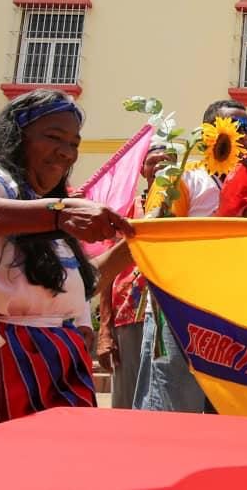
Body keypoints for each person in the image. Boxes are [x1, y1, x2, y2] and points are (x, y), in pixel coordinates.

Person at [0, 90, 134, 433]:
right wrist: (58, 214)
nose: (67, 153)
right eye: (54, 137)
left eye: (74, 143)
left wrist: (133, 250)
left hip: (57, 368)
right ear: (15, 137)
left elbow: (67, 293)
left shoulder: (46, 210)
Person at [134, 99, 247, 414]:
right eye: (237, 128)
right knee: (174, 412)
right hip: (177, 312)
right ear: (209, 133)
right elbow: (154, 236)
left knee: (228, 417)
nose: (245, 136)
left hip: (234, 315)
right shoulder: (181, 177)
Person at [96, 144, 171, 409]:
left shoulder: (181, 210)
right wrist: (105, 330)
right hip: (129, 315)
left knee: (164, 399)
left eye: (168, 160)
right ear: (142, 169)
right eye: (153, 161)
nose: (161, 165)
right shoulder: (126, 211)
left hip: (170, 317)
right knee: (126, 402)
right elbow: (107, 272)